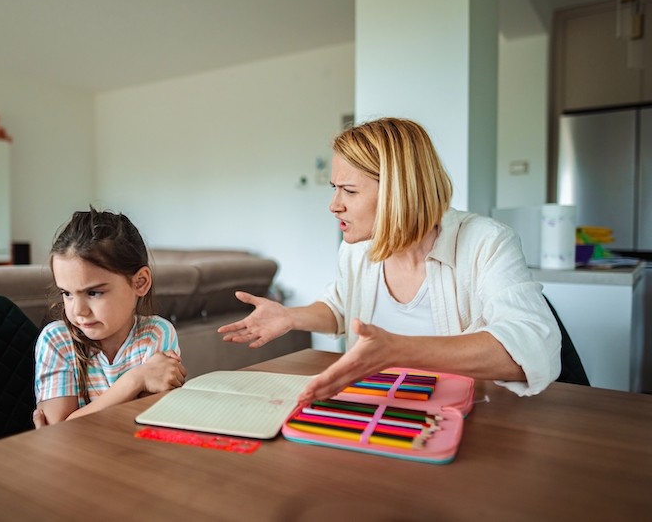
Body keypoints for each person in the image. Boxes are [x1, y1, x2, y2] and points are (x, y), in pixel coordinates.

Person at [219, 117, 561, 403]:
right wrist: (290, 316)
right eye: (334, 188)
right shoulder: (357, 249)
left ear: (400, 191)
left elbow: (534, 345)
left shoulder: (486, 242)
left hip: (465, 417)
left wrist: (398, 350)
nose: (334, 204)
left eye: (349, 191)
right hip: (379, 407)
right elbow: (340, 307)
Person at [33, 208, 186, 427]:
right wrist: (135, 380)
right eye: (67, 293)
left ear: (140, 282)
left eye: (94, 293)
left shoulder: (157, 333)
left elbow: (150, 421)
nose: (78, 311)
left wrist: (77, 419)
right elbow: (60, 431)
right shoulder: (57, 341)